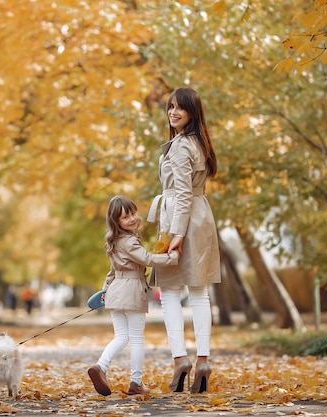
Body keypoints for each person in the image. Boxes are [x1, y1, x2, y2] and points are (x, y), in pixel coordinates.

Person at [146, 87, 221, 394]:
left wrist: (176, 235)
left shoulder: (179, 147)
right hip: (201, 218)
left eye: (180, 108)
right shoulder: (198, 142)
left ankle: (180, 359)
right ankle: (203, 360)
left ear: (192, 112)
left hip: (181, 219)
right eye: (170, 107)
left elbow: (182, 195)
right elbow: (192, 193)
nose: (173, 112)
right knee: (200, 292)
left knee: (171, 292)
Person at [87, 195, 179, 396]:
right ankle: (136, 383)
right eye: (125, 217)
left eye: (133, 213)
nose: (132, 219)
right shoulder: (128, 241)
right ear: (116, 222)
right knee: (136, 339)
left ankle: (101, 366)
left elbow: (111, 273)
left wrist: (104, 293)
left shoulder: (113, 241)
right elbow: (146, 259)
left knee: (121, 336)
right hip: (131, 291)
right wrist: (172, 258)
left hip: (115, 292)